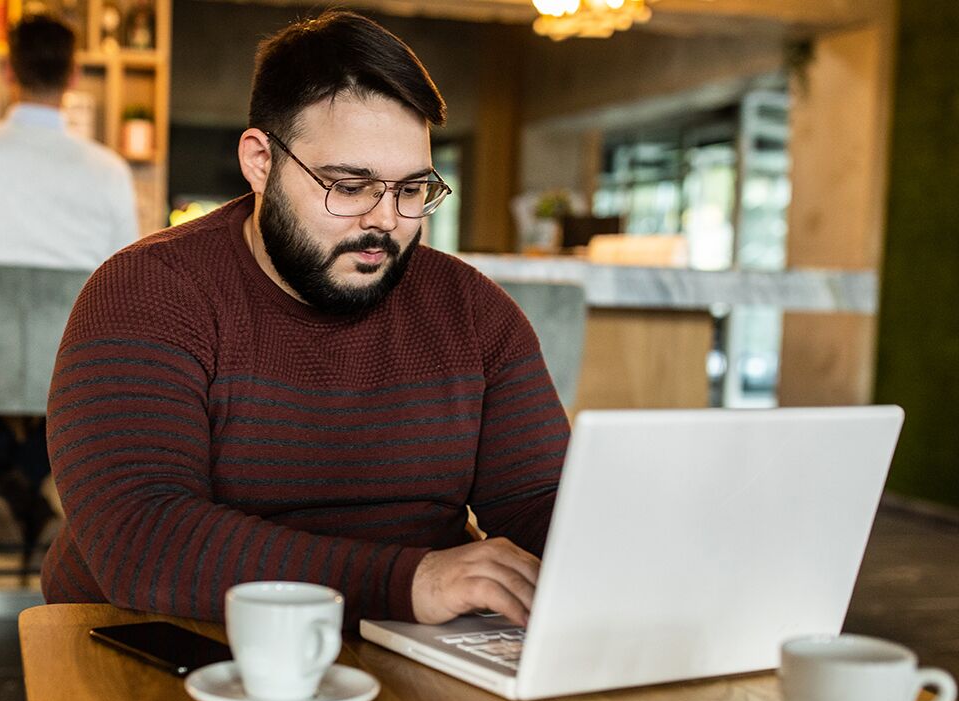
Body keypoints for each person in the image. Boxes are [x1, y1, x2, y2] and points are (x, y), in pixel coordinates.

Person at [42, 11, 569, 626]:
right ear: (260, 161)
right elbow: (143, 538)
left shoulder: (475, 315)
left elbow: (540, 505)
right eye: (349, 186)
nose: (385, 221)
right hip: (162, 637)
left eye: (410, 190)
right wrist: (410, 582)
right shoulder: (148, 292)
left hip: (407, 641)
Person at [0, 15, 139, 550]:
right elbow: (123, 276)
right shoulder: (107, 170)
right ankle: (30, 503)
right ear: (74, 77)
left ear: (6, 71)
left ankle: (14, 491)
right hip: (69, 371)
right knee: (87, 395)